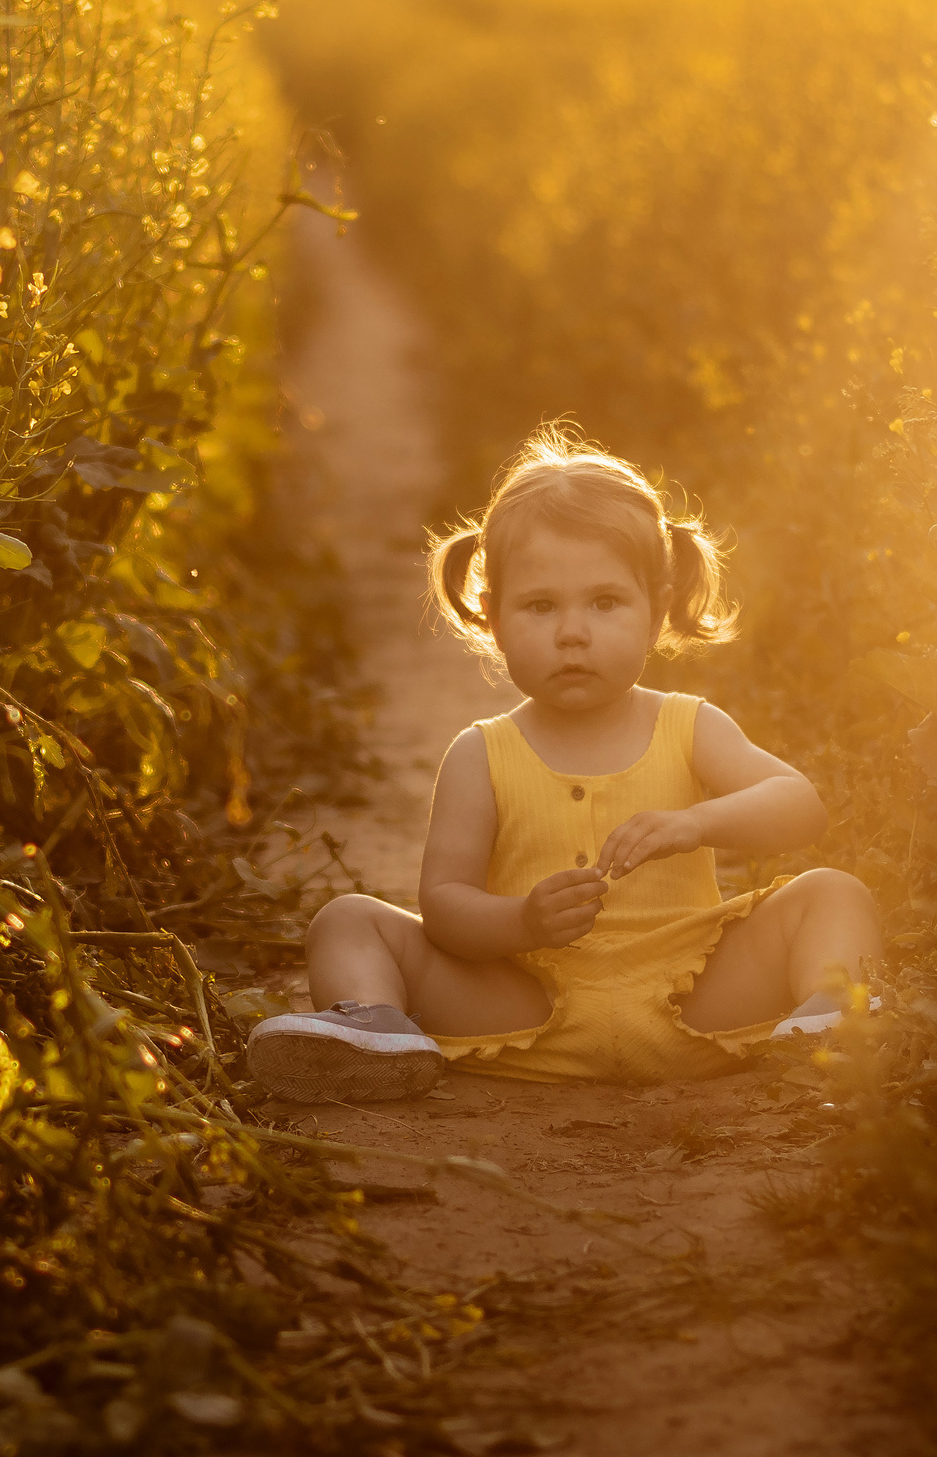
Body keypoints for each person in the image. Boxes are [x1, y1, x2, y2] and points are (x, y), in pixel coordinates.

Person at [248, 427, 881, 1103]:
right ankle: (379, 1031)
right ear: (493, 618)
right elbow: (445, 907)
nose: (572, 633)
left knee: (833, 893)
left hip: (695, 997)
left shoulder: (688, 725)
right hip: (527, 1006)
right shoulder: (481, 753)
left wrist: (695, 823)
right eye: (540, 605)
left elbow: (799, 806)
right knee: (347, 920)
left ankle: (831, 1021)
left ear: (656, 610)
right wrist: (522, 921)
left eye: (605, 602)